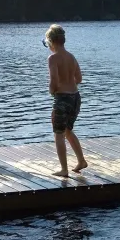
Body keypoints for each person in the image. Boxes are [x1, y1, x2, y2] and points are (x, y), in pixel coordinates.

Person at [45, 24, 88, 177]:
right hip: (76, 98)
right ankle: (81, 160)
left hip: (62, 98)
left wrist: (52, 90)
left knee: (58, 134)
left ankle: (64, 169)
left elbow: (54, 80)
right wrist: (69, 82)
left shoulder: (53, 58)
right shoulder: (71, 56)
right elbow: (79, 79)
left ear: (51, 41)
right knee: (68, 131)